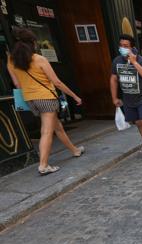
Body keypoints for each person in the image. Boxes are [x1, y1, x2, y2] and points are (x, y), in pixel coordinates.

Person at [7, 27, 84, 176]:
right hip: (46, 98)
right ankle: (43, 165)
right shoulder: (39, 59)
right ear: (33, 43)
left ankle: (74, 150)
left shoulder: (11, 61)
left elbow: (17, 84)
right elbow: (57, 82)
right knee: (47, 131)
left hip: (30, 99)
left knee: (58, 127)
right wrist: (75, 96)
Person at [110, 34, 142, 156]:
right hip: (128, 98)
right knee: (137, 122)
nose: (122, 48)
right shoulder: (117, 61)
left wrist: (134, 63)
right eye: (121, 45)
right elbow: (114, 79)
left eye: (126, 46)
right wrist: (114, 97)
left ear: (132, 48)